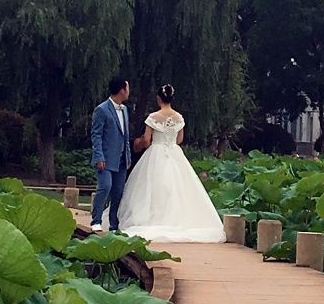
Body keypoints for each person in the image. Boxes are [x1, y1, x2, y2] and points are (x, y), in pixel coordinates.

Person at [106, 83, 226, 243]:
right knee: (177, 186)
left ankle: (152, 217)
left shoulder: (153, 117)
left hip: (155, 153)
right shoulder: (179, 118)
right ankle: (175, 219)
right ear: (171, 98)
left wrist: (141, 143)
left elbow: (146, 140)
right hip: (174, 153)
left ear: (158, 99)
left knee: (152, 186)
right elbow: (179, 139)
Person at [90, 77, 132, 232]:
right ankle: (96, 220)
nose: (129, 91)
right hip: (106, 158)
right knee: (105, 186)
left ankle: (114, 223)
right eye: (127, 88)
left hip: (121, 158)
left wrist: (127, 155)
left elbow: (125, 135)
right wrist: (99, 156)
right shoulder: (102, 109)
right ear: (122, 90)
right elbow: (96, 135)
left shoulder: (125, 110)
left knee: (118, 191)